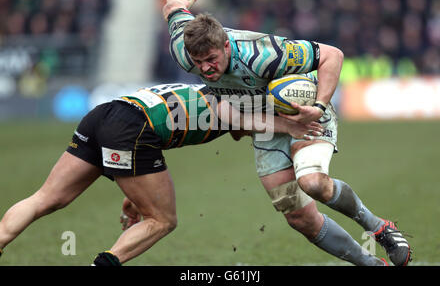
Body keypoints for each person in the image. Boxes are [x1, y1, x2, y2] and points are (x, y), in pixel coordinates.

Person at [161, 0, 412, 266]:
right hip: (267, 121)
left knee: (312, 183)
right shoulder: (184, 51)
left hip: (302, 110)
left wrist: (317, 107)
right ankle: (371, 265)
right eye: (198, 62)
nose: (204, 68)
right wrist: (175, 7)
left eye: (211, 59)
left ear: (227, 47)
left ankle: (380, 228)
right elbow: (176, 18)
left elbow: (333, 55)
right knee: (297, 215)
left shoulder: (262, 56)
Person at [0, 83, 324, 265]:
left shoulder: (203, 88)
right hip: (132, 130)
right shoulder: (239, 106)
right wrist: (292, 125)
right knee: (162, 220)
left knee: (46, 198)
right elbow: (248, 123)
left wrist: (135, 197)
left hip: (104, 113)